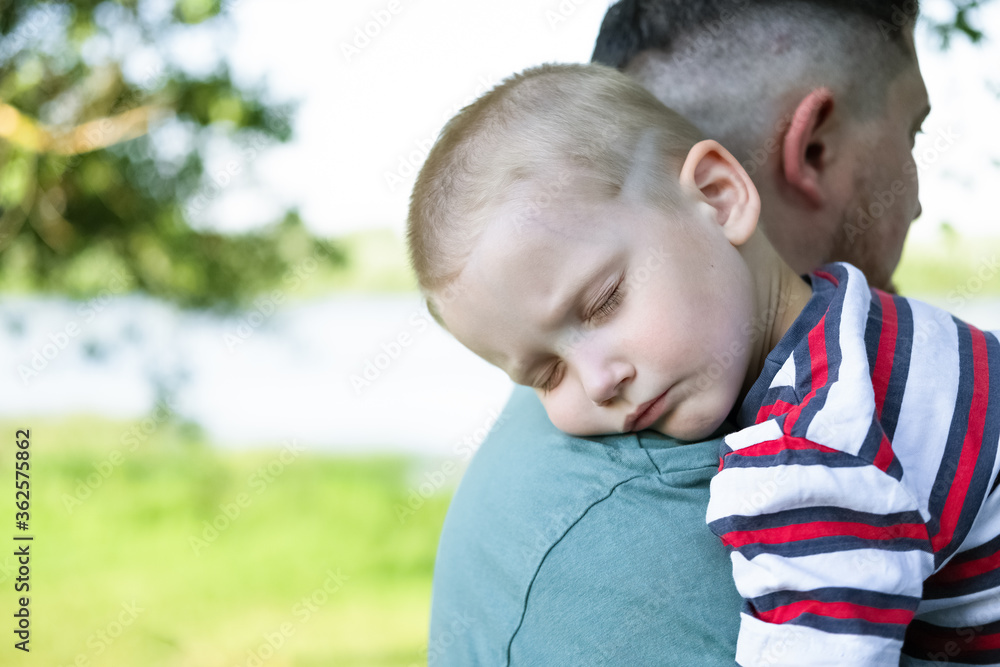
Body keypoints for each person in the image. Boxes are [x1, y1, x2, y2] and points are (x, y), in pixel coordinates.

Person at [410, 62, 1000, 666]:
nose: (597, 380)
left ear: (718, 198)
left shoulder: (814, 446)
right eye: (545, 374)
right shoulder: (854, 311)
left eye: (604, 301)